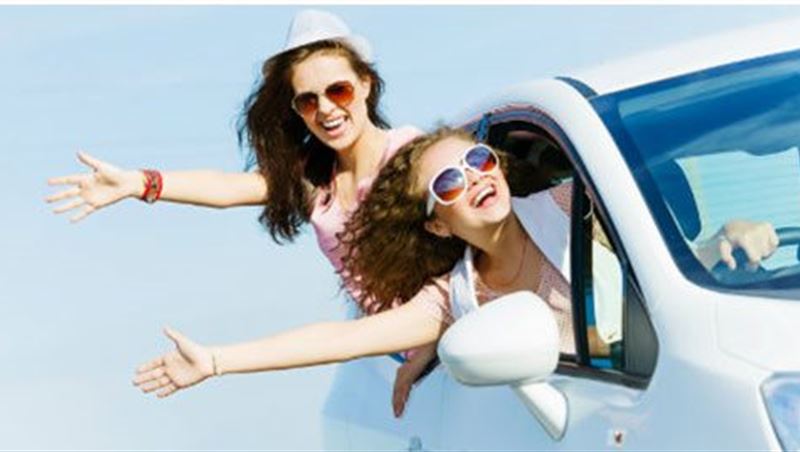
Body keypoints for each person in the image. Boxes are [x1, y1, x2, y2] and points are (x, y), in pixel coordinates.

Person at [44, 9, 430, 402]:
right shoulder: (315, 178)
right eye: (308, 101)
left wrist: (432, 347)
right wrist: (139, 182)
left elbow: (467, 261)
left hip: (436, 341)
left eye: (339, 90)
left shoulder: (411, 157)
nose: (326, 109)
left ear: (365, 83)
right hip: (392, 352)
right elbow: (227, 188)